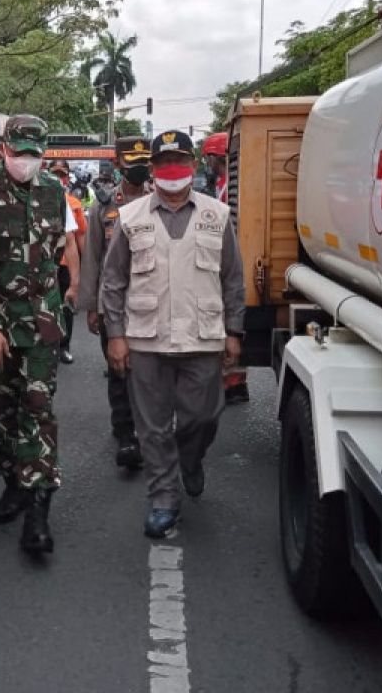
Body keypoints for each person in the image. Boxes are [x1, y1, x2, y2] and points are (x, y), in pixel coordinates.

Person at [101, 130, 245, 539]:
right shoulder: (131, 218)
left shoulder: (217, 215)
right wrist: (115, 335)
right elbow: (113, 283)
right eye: (163, 163)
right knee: (152, 426)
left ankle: (190, 459)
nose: (171, 170)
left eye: (179, 161)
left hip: (203, 337)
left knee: (203, 416)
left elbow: (232, 278)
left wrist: (235, 330)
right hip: (146, 339)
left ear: (194, 164)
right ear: (153, 169)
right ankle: (163, 498)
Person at [0, 114, 79, 554]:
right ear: (2, 150)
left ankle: (39, 513)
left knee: (39, 409)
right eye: (18, 152)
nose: (25, 161)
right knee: (1, 412)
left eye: (34, 153)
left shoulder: (53, 192)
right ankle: (13, 482)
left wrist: (63, 299)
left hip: (42, 324)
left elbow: (57, 252)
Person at [78, 135, 152, 471]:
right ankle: (125, 434)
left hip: (152, 302)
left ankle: (150, 428)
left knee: (151, 371)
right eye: (132, 163)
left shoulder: (160, 200)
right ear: (120, 163)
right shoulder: (105, 206)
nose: (139, 170)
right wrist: (92, 306)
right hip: (115, 304)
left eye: (144, 163)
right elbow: (93, 257)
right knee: (119, 369)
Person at [202, 132, 250, 405]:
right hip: (231, 260)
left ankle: (232, 382)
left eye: (207, 157)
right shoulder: (225, 183)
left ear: (214, 157)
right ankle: (233, 381)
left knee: (226, 321)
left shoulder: (231, 185)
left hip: (229, 261)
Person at [48, 160, 86, 365]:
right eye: (55, 174)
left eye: (62, 174)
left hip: (65, 264)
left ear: (68, 177)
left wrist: (80, 277)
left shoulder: (74, 204)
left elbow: (79, 239)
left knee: (65, 306)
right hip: (45, 265)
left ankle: (64, 346)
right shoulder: (40, 198)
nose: (59, 178)